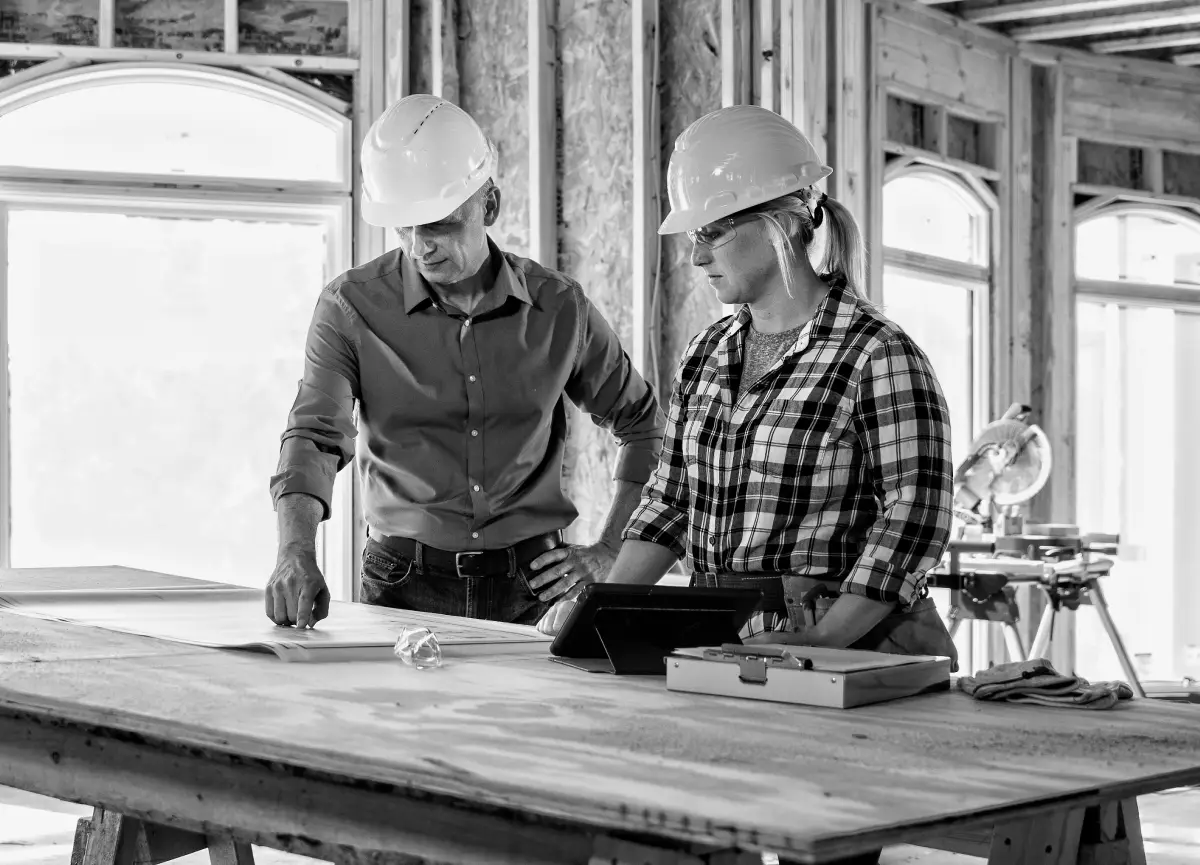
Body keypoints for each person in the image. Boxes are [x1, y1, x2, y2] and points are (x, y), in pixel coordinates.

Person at [538, 105, 958, 675]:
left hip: (843, 647)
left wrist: (825, 643)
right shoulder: (706, 355)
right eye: (693, 235)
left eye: (713, 231)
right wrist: (600, 613)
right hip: (720, 638)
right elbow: (668, 504)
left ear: (781, 224)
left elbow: (914, 518)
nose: (696, 254)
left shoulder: (877, 355)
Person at [266, 94, 664, 629]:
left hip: (534, 589)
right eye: (403, 228)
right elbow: (314, 438)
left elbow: (644, 427)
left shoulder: (559, 308)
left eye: (438, 225)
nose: (419, 247)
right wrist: (294, 550)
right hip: (399, 584)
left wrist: (612, 547)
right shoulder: (350, 307)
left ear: (489, 207)